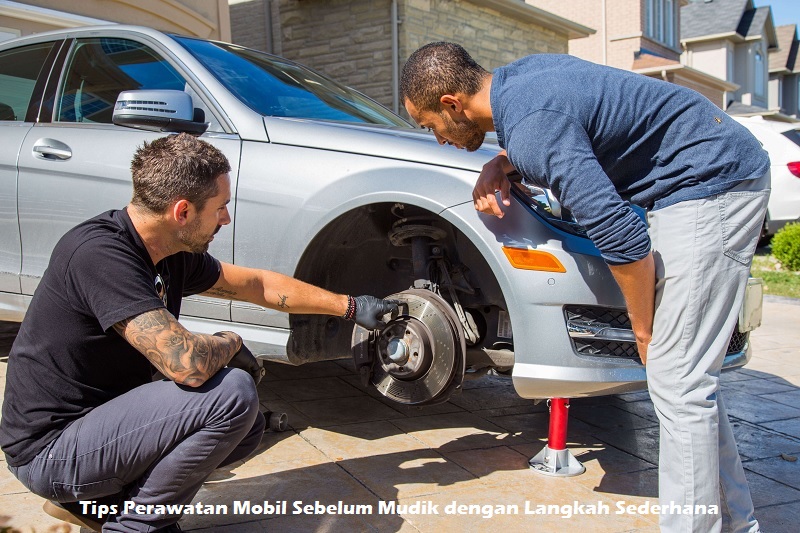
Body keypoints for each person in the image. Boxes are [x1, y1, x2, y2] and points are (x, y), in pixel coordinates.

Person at [400, 42, 769, 533]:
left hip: (712, 185)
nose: (439, 139)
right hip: (702, 176)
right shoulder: (524, 78)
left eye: (431, 126)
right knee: (685, 380)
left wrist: (642, 329)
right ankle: (735, 523)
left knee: (676, 380)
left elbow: (624, 239)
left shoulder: (532, 125)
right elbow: (570, 124)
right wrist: (501, 164)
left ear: (452, 104)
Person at [0, 133, 398, 532]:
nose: (226, 218)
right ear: (183, 212)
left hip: (95, 430)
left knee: (247, 427)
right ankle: (138, 526)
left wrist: (350, 306)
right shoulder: (101, 254)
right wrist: (234, 344)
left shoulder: (169, 252)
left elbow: (257, 284)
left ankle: (98, 507)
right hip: (49, 451)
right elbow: (185, 364)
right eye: (221, 207)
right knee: (231, 396)